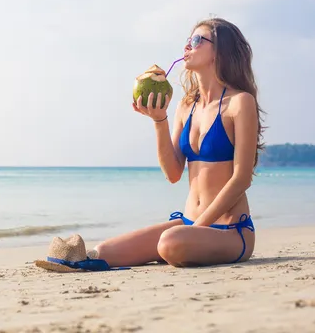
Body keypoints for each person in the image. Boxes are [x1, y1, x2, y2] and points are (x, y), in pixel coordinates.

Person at [92, 17, 265, 267]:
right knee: (103, 252)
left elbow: (242, 179)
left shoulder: (240, 102)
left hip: (230, 230)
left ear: (219, 51)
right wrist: (159, 120)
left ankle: (182, 242)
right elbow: (173, 173)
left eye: (196, 40)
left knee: (170, 242)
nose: (187, 47)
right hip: (188, 223)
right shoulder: (186, 105)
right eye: (187, 40)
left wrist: (197, 228)